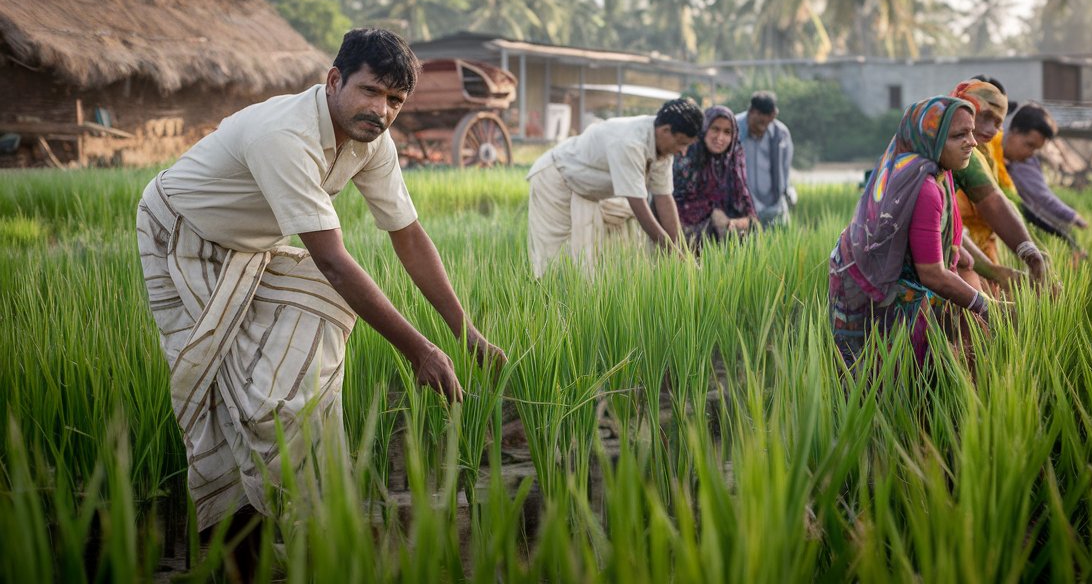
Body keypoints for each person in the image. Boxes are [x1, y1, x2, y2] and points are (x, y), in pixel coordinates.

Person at [136, 29, 505, 569]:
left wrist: (463, 330)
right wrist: (420, 351)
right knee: (227, 405)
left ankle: (295, 514)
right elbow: (332, 260)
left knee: (298, 362)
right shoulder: (283, 134)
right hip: (183, 240)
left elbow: (407, 235)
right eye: (371, 91)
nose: (381, 110)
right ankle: (245, 558)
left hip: (253, 248)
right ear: (335, 80)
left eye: (395, 101)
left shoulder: (371, 143)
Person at [829, 96, 990, 370]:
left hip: (857, 274)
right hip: (876, 291)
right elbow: (932, 274)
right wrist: (987, 307)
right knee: (889, 378)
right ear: (931, 140)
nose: (973, 142)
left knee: (881, 376)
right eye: (959, 135)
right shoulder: (924, 186)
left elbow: (912, 232)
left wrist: (952, 248)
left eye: (972, 132)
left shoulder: (912, 166)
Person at [526, 98, 703, 276]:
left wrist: (681, 251)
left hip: (588, 189)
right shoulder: (629, 142)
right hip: (556, 178)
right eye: (682, 143)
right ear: (665, 131)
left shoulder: (663, 149)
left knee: (590, 260)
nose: (683, 151)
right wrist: (672, 250)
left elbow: (664, 197)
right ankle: (544, 299)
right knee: (553, 256)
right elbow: (638, 204)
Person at [948, 77, 1051, 292]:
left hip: (962, 252)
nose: (990, 129)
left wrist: (1029, 252)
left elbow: (996, 201)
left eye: (997, 123)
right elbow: (942, 229)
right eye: (984, 116)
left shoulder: (972, 153)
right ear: (962, 109)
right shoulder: (935, 149)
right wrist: (992, 270)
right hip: (921, 264)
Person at [1003, 102, 1089, 258]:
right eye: (1029, 145)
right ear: (1013, 131)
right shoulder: (990, 155)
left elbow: (1029, 205)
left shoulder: (1020, 160)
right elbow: (1040, 197)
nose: (1031, 153)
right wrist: (1071, 219)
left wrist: (1068, 237)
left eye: (1036, 149)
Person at [672, 105, 758, 250]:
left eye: (727, 132)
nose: (720, 138)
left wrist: (730, 223)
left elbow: (751, 220)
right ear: (704, 128)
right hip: (682, 246)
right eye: (715, 129)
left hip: (722, 251)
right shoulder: (685, 159)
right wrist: (711, 216)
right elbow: (670, 205)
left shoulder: (733, 166)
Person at [737, 91, 794, 226]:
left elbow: (785, 169)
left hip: (773, 206)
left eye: (767, 123)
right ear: (751, 112)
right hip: (743, 206)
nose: (763, 128)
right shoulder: (733, 128)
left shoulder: (781, 134)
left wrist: (787, 191)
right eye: (759, 122)